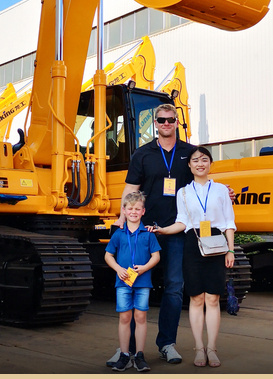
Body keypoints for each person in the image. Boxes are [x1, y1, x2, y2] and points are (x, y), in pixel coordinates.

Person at [109, 104, 194, 365]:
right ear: (155, 123)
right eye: (161, 120)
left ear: (177, 122)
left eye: (170, 119)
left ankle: (167, 344)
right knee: (133, 285)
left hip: (176, 230)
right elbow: (131, 188)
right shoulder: (143, 154)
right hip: (144, 232)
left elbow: (202, 184)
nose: (166, 123)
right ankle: (128, 349)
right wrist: (122, 219)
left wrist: (225, 192)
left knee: (174, 288)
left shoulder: (190, 152)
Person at [153, 146, 236, 368]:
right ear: (189, 165)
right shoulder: (183, 193)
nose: (200, 164)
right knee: (197, 298)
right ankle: (199, 348)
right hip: (193, 244)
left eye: (204, 159)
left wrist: (231, 250)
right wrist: (163, 230)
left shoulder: (221, 190)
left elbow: (229, 222)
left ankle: (212, 348)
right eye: (196, 160)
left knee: (213, 299)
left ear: (210, 164)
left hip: (216, 244)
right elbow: (182, 222)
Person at [105, 191, 161, 372]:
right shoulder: (118, 234)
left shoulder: (148, 234)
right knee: (124, 317)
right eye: (130, 209)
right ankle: (124, 355)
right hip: (123, 282)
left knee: (140, 317)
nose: (134, 212)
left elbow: (156, 256)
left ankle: (139, 355)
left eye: (137, 209)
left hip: (143, 282)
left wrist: (145, 268)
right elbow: (108, 255)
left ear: (143, 211)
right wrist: (118, 269)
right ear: (124, 210)